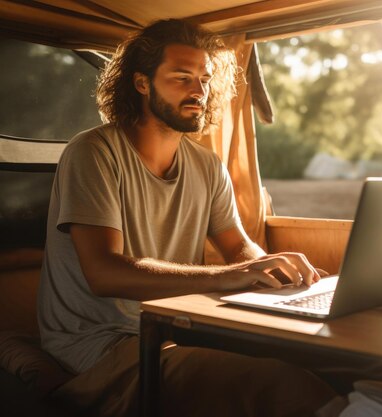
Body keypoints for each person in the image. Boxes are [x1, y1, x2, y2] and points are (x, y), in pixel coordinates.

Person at [37, 19, 337, 417]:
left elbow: (237, 248)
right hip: (98, 344)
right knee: (275, 381)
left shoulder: (207, 166)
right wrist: (227, 277)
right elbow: (103, 273)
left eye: (205, 79)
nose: (199, 90)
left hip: (175, 328)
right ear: (142, 83)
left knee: (328, 362)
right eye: (182, 78)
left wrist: (278, 276)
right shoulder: (93, 153)